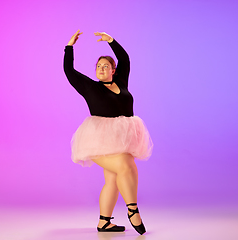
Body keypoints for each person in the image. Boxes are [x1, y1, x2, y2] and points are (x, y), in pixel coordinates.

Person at [63, 30, 153, 235]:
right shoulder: (90, 87)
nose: (102, 69)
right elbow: (69, 71)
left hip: (122, 139)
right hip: (98, 140)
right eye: (98, 66)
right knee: (125, 165)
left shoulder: (121, 83)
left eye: (106, 66)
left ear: (114, 71)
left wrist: (110, 40)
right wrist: (69, 47)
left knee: (112, 179)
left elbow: (125, 58)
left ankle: (104, 222)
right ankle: (133, 210)